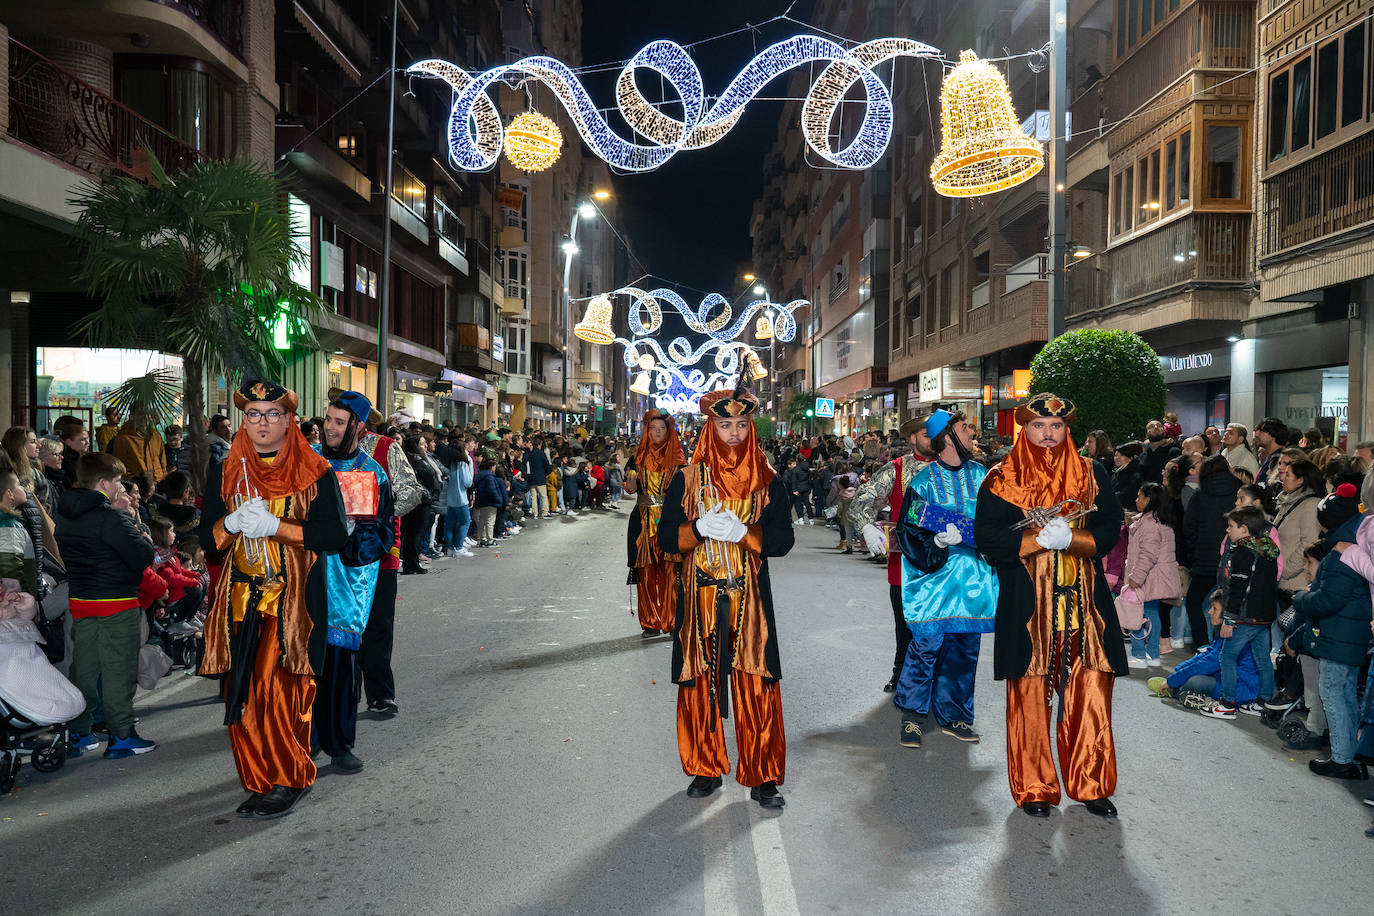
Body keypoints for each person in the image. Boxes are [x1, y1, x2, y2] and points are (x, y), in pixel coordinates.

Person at [199, 379, 347, 819]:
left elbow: (334, 535)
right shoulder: (225, 468)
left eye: (273, 414)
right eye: (253, 414)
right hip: (240, 599)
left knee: (282, 696)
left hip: (291, 603)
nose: (262, 423)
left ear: (289, 420)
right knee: (243, 695)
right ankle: (259, 779)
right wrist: (231, 522)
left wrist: (277, 528)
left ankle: (289, 778)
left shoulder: (315, 469)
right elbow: (208, 541)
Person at [974, 393, 1125, 819]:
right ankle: (1036, 787)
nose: (1047, 434)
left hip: (1086, 607)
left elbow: (1110, 527)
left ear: (1067, 430)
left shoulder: (1092, 473)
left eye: (1055, 427)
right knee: (1030, 695)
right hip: (1028, 609)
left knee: (1092, 693)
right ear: (1025, 428)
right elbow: (987, 538)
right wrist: (1033, 540)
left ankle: (1092, 784)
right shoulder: (999, 478)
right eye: (1039, 426)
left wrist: (1074, 540)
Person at [658, 382, 795, 809]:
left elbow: (783, 540)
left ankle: (763, 774)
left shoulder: (769, 479)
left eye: (740, 423)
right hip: (698, 597)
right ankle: (704, 766)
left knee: (757, 684)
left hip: (749, 598)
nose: (733, 433)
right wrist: (695, 530)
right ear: (710, 427)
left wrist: (745, 534)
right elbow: (665, 538)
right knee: (698, 680)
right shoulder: (686, 478)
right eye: (724, 424)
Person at [891, 410, 996, 747]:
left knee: (964, 651)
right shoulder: (922, 481)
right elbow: (908, 530)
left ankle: (956, 716)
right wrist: (934, 542)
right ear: (948, 437)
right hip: (931, 585)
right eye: (966, 429)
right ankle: (912, 716)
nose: (972, 435)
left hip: (972, 586)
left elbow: (996, 528)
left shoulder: (984, 476)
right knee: (925, 648)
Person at [313, 392, 395, 774]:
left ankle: (340, 744)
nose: (329, 427)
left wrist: (348, 533)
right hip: (304, 581)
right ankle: (303, 742)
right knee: (301, 669)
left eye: (339, 421)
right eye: (328, 419)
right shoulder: (306, 463)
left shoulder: (372, 473)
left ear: (358, 428)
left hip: (347, 588)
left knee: (341, 672)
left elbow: (380, 538)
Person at [56, 451, 157, 759]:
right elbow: (142, 556)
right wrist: (132, 522)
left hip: (82, 601)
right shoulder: (111, 517)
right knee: (117, 672)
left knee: (83, 670)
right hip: (117, 602)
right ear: (102, 483)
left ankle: (79, 732)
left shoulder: (65, 514)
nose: (119, 486)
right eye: (116, 480)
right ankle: (122, 736)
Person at [850, 416, 935, 691]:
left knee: (942, 627)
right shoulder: (895, 470)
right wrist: (865, 526)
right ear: (912, 439)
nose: (933, 440)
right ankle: (901, 672)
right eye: (926, 434)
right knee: (905, 625)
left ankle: (939, 678)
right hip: (905, 565)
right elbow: (863, 497)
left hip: (948, 564)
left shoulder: (953, 468)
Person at [1200, 507, 1279, 719]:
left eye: (1231, 526)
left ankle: (1227, 703)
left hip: (1244, 617)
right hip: (1263, 617)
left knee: (1227, 657)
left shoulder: (1243, 552)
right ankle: (1264, 701)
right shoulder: (1268, 550)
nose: (1227, 530)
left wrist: (1229, 619)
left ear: (1244, 530)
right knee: (1262, 659)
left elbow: (1237, 588)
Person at [624, 410, 685, 637]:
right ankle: (650, 622)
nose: (657, 432)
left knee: (672, 573)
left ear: (668, 432)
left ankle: (670, 622)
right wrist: (631, 481)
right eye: (653, 429)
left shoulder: (679, 459)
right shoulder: (636, 458)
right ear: (647, 432)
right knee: (646, 574)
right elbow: (630, 489)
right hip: (642, 521)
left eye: (661, 429)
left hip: (669, 521)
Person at [1180, 456, 1242, 650]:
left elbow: (1189, 527)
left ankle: (1202, 645)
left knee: (1194, 602)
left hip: (1205, 560)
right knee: (1231, 604)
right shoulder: (1240, 492)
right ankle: (1227, 647)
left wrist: (1194, 552)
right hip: (1235, 559)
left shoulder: (1200, 495)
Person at [1122, 483, 1181, 667]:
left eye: (1139, 496)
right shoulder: (1156, 521)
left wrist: (1135, 577)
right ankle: (1152, 654)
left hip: (1148, 577)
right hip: (1153, 577)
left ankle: (1140, 654)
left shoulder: (1150, 525)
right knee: (1151, 613)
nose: (1136, 500)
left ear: (1148, 500)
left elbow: (1148, 555)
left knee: (1137, 613)